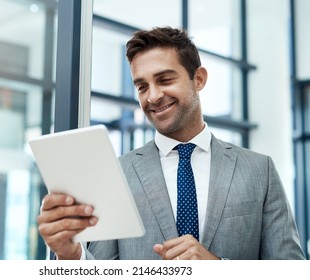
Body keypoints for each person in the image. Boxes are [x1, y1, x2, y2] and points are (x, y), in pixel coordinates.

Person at [37, 26, 305, 260]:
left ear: (198, 79)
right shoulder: (119, 173)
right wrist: (71, 255)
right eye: (142, 86)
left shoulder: (259, 170)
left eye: (165, 80)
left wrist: (219, 268)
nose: (153, 96)